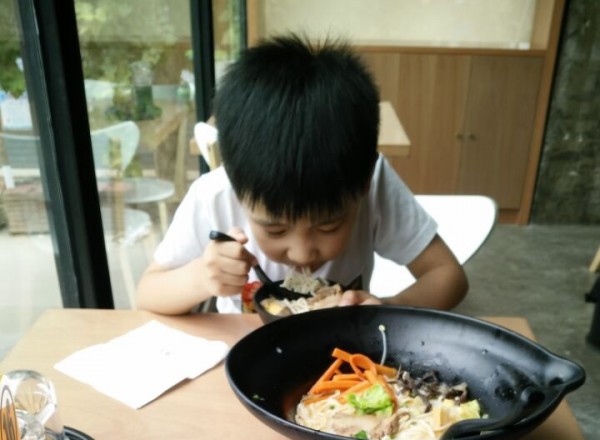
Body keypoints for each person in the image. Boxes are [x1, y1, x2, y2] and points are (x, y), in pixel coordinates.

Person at [135, 34, 468, 315]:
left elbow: (448, 275)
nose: (302, 253)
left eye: (328, 226)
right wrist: (200, 279)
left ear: (364, 185)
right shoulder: (214, 195)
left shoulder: (372, 180)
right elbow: (147, 294)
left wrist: (386, 308)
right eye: (275, 229)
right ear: (237, 188)